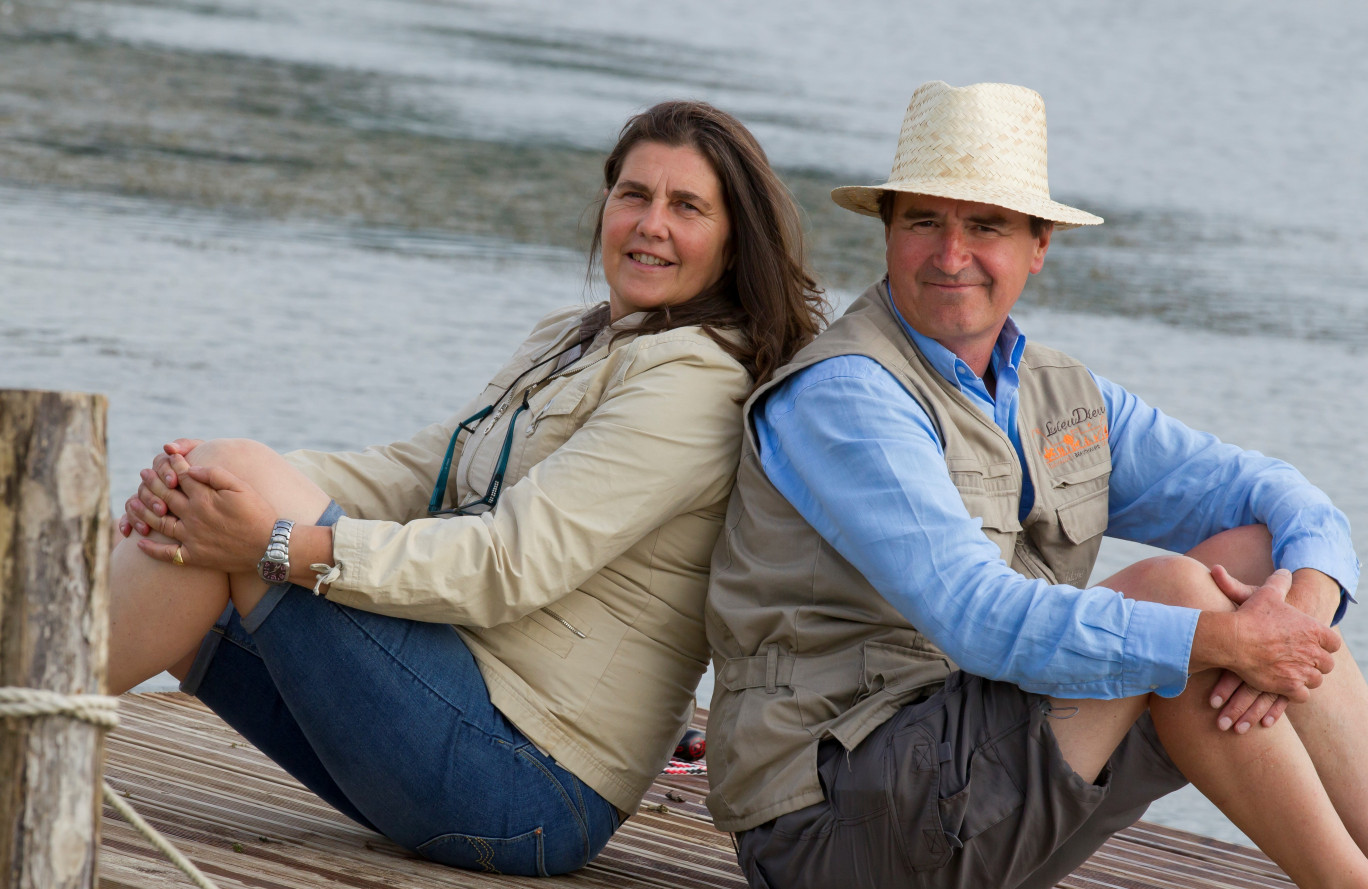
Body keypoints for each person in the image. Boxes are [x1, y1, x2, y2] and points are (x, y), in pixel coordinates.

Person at [110, 99, 826, 877]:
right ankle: (26, 711)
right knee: (203, 502)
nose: (652, 222)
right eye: (633, 194)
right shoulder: (574, 335)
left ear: (731, 242)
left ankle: (25, 711)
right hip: (450, 707)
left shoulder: (695, 382)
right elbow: (426, 471)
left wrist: (278, 540)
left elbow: (506, 564)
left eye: (687, 206)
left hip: (531, 785)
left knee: (229, 506)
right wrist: (207, 482)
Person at [704, 81, 1368, 889]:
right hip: (830, 823)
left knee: (1267, 557)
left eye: (985, 225)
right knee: (1180, 597)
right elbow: (974, 618)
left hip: (981, 798)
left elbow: (1280, 497)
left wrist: (1302, 611)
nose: (951, 256)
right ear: (887, 234)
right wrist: (1231, 639)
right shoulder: (847, 393)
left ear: (1039, 244)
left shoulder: (1059, 393)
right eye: (924, 222)